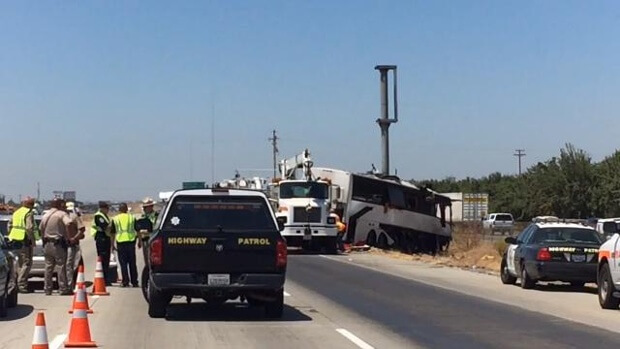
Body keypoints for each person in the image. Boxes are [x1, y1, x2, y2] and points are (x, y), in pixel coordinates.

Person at [39, 198, 74, 295]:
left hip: (47, 243)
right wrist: (69, 237)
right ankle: (63, 288)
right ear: (60, 205)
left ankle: (47, 289)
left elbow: (40, 229)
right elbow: (69, 223)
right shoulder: (61, 214)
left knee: (48, 267)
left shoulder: (45, 215)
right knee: (61, 266)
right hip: (58, 244)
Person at [7, 197, 39, 293]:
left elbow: (9, 225)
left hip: (15, 240)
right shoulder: (28, 213)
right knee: (27, 263)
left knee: (20, 263)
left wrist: (11, 235)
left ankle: (17, 283)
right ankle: (21, 285)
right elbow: (29, 228)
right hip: (24, 240)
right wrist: (32, 240)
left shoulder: (17, 212)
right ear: (30, 205)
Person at [111, 203, 138, 287]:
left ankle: (125, 281)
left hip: (120, 242)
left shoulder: (115, 219)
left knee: (123, 263)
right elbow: (138, 230)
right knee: (132, 263)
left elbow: (113, 233)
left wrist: (112, 244)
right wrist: (140, 241)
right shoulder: (132, 217)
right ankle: (134, 282)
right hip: (131, 241)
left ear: (119, 209)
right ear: (126, 209)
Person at [91, 201, 113, 285]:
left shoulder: (104, 215)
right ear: (103, 208)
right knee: (103, 259)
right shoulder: (99, 216)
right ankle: (104, 279)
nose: (108, 210)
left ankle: (106, 278)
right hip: (101, 238)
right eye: (107, 208)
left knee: (106, 259)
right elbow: (105, 226)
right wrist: (111, 226)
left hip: (105, 238)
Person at [65, 201, 85, 291]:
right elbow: (82, 230)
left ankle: (70, 285)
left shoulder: (73, 217)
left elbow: (81, 230)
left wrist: (74, 238)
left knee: (70, 265)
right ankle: (70, 284)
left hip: (70, 245)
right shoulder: (73, 216)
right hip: (67, 245)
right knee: (71, 265)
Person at [136, 197, 158, 263]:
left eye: (147, 207)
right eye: (144, 207)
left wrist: (149, 231)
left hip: (153, 238)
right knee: (146, 258)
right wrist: (139, 241)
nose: (145, 209)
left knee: (153, 258)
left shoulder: (157, 216)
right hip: (145, 239)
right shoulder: (142, 216)